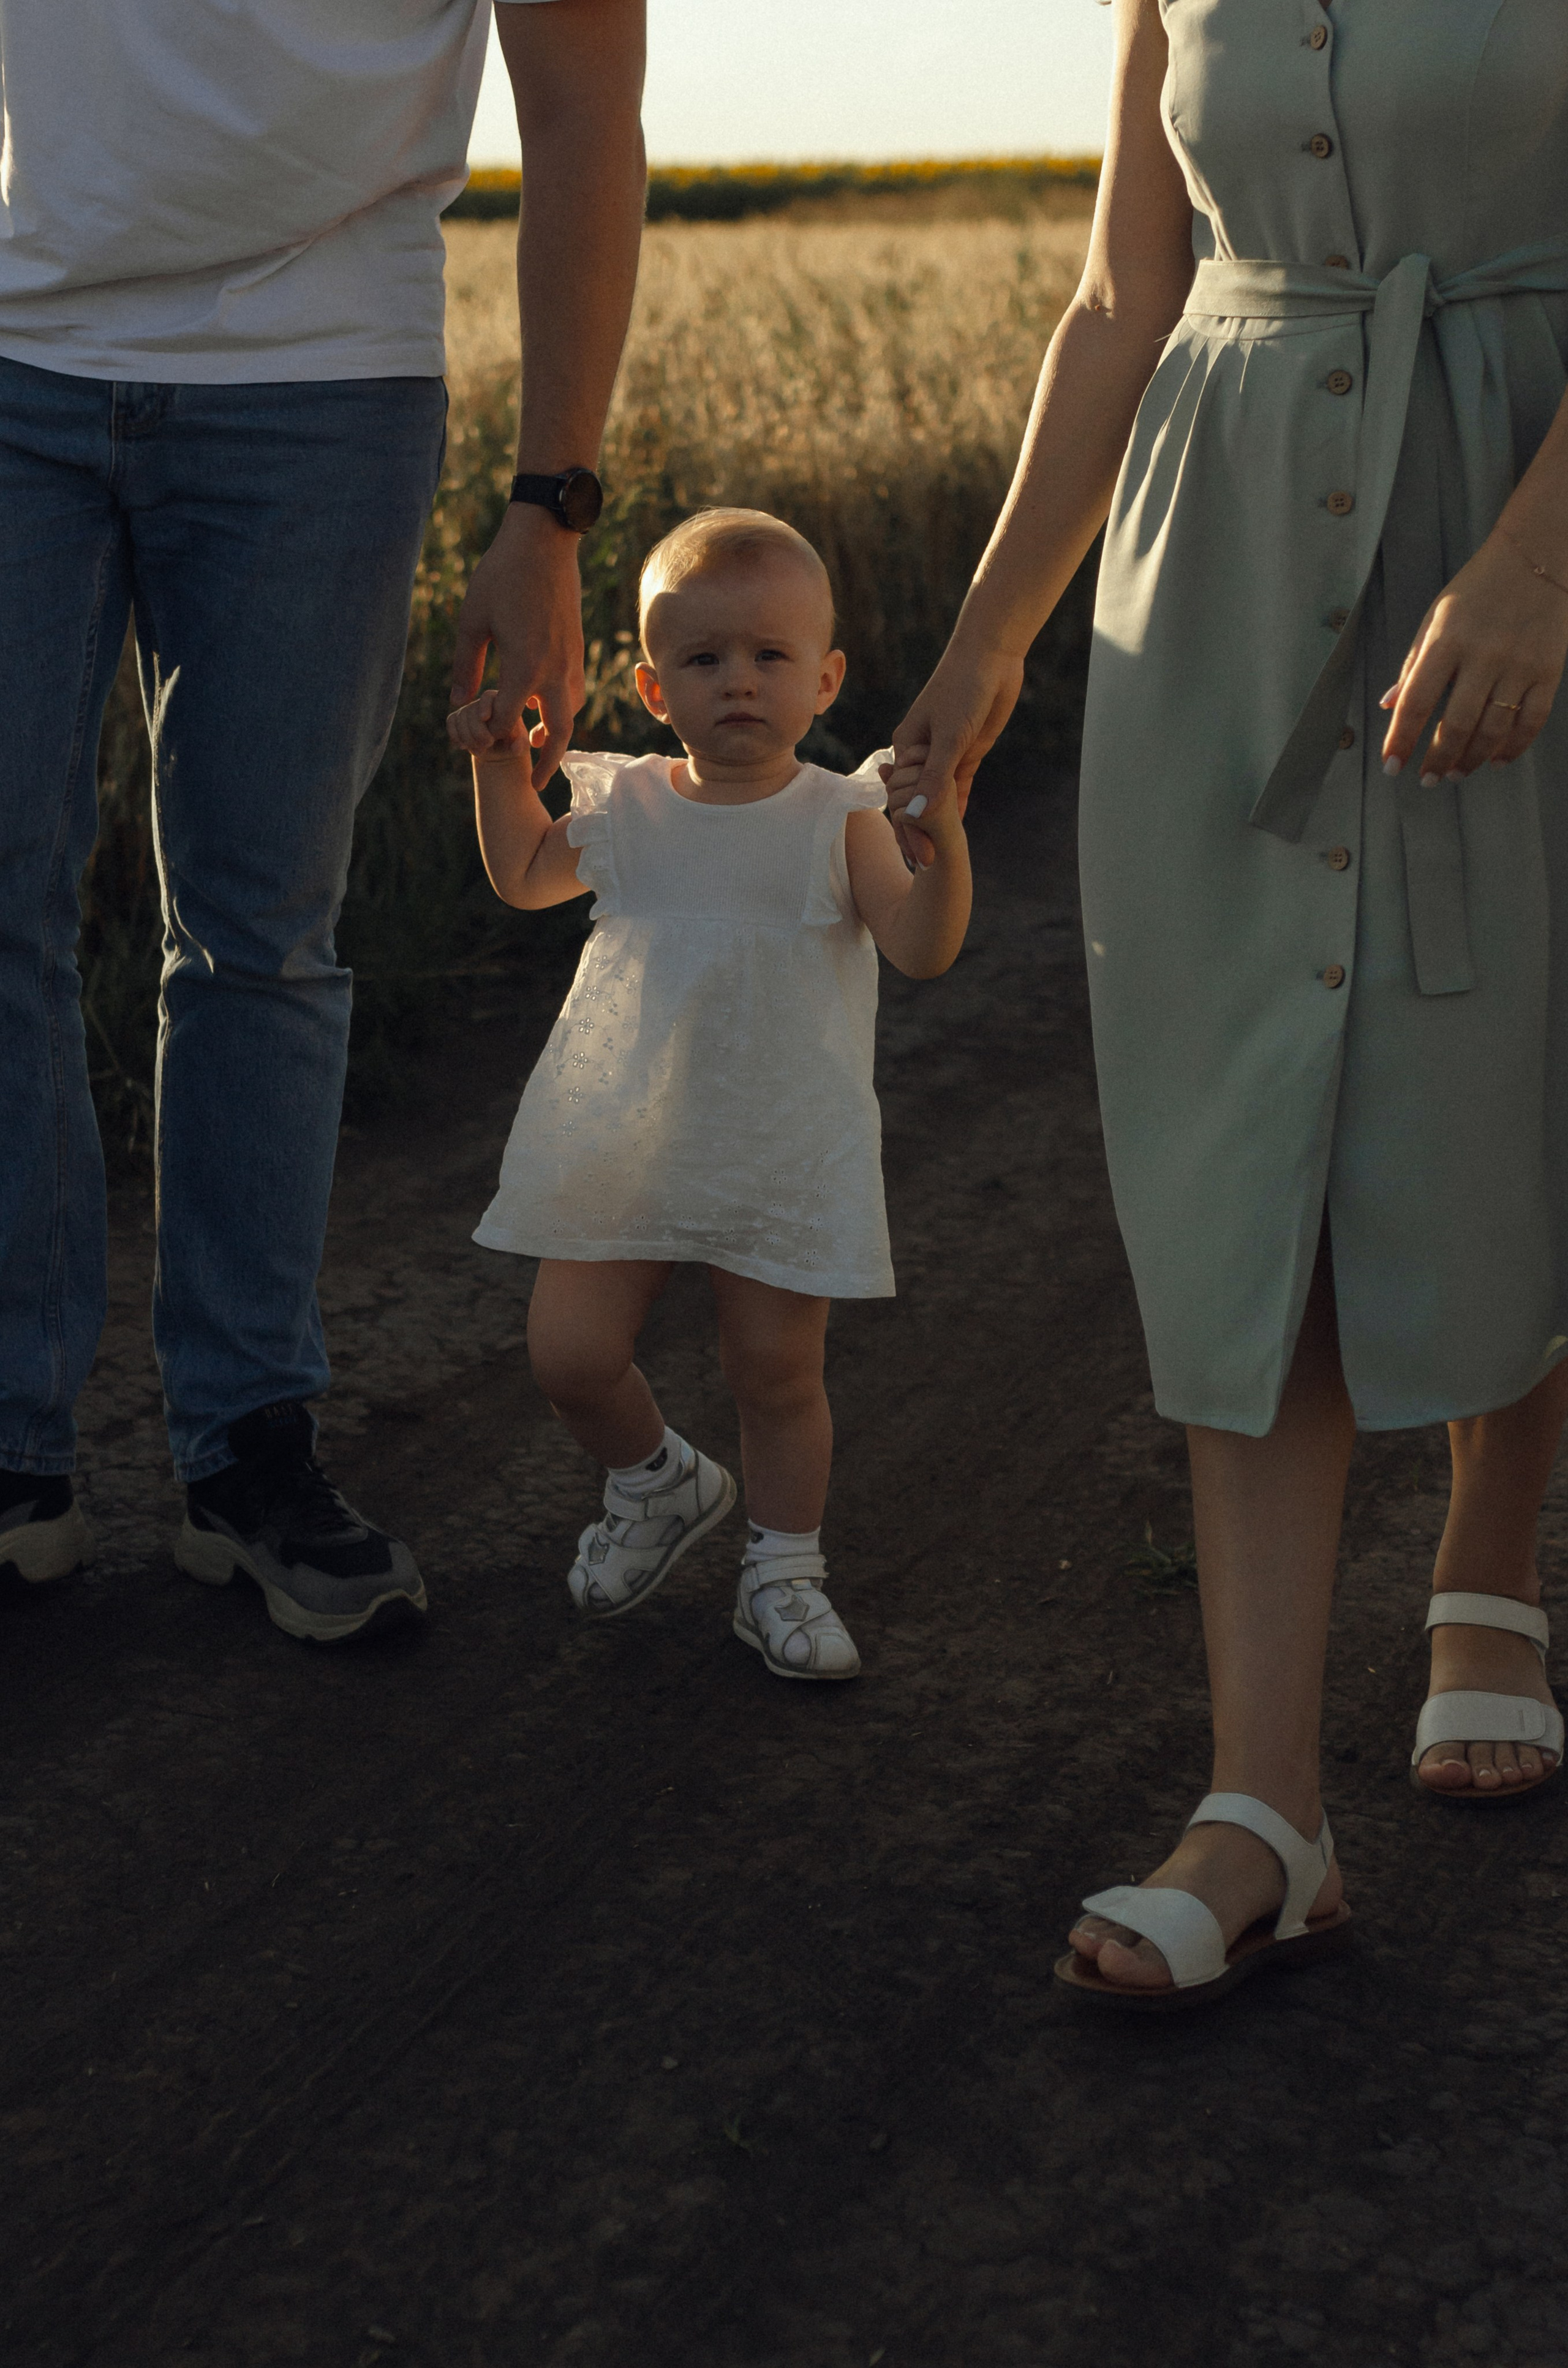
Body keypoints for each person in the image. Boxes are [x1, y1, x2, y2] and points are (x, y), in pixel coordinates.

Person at [884, 0, 1568, 2005]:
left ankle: (1493, 1563)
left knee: (1503, 1058)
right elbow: (1125, 286)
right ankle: (1267, 1802)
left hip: (1527, 479)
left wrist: (1539, 565)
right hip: (1222, 555)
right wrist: (985, 641)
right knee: (1251, 1112)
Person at [0, 0, 647, 1641]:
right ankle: (16, 1456)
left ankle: (248, 1449)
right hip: (13, 366)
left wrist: (553, 510)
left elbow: (583, 111)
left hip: (323, 388)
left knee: (263, 933)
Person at [449, 509, 972, 1677]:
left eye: (770, 657)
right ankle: (656, 1479)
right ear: (649, 685)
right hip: (623, 1124)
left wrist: (945, 848)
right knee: (568, 1354)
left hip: (778, 1136)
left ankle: (784, 1572)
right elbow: (526, 874)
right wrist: (499, 767)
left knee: (775, 1370)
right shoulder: (629, 804)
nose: (739, 681)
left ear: (827, 677)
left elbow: (922, 947)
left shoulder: (843, 818)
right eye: (704, 659)